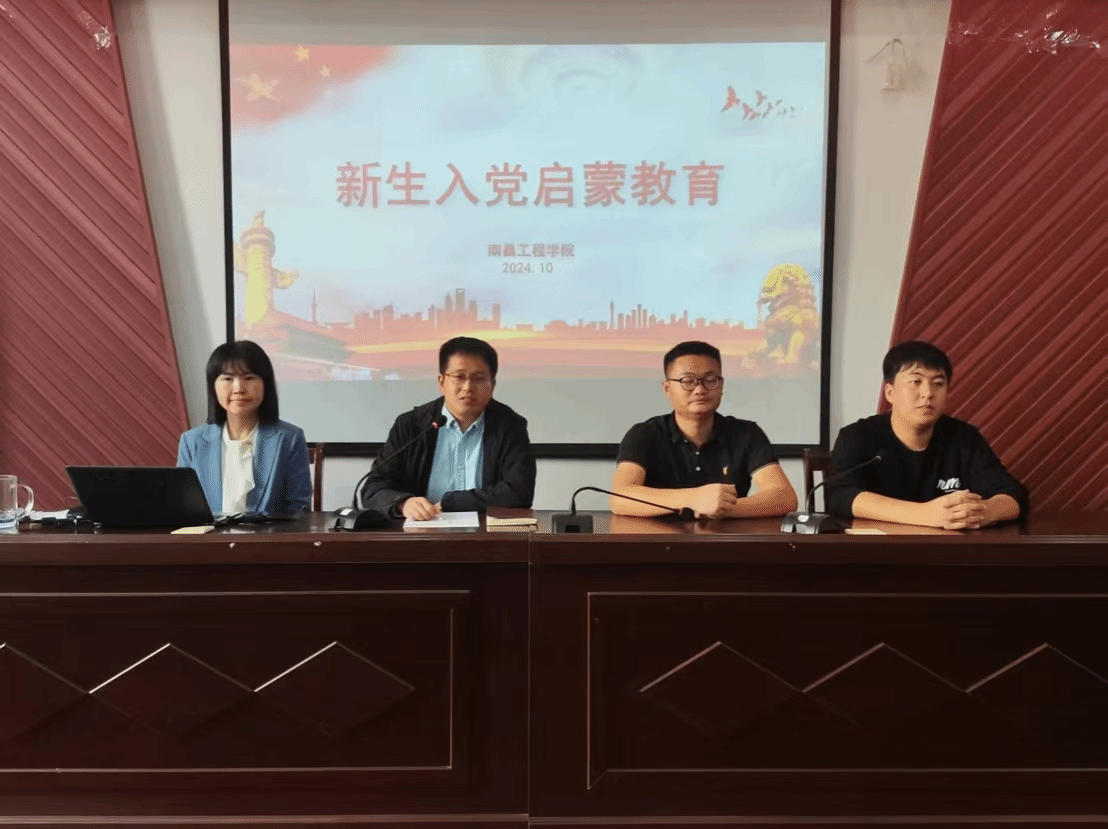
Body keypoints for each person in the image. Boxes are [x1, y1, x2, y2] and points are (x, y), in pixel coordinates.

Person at [826, 340, 1028, 529]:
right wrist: (925, 514)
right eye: (916, 381)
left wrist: (981, 512)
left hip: (946, 551)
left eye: (938, 383)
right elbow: (840, 495)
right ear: (890, 392)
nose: (928, 393)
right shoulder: (857, 437)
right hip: (876, 550)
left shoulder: (964, 438)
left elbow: (1013, 494)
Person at [611, 341, 797, 518]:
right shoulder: (644, 434)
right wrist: (693, 499)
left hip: (726, 537)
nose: (700, 389)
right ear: (667, 388)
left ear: (721, 385)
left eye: (710, 379)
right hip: (659, 538)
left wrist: (719, 508)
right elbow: (620, 498)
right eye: (687, 380)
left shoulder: (747, 433)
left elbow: (784, 497)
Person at [360, 336, 536, 519]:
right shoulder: (411, 425)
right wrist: (403, 503)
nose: (468, 387)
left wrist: (451, 502)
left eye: (478, 378)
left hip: (485, 531)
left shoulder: (510, 426)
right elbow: (373, 489)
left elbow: (519, 493)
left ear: (492, 385)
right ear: (441, 382)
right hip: (422, 530)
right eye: (459, 377)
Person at [177, 340, 311, 515]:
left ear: (265, 384)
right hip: (210, 533)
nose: (238, 388)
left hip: (268, 533)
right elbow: (182, 507)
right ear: (213, 386)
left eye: (249, 378)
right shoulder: (192, 441)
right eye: (227, 378)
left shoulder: (289, 438)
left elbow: (299, 509)